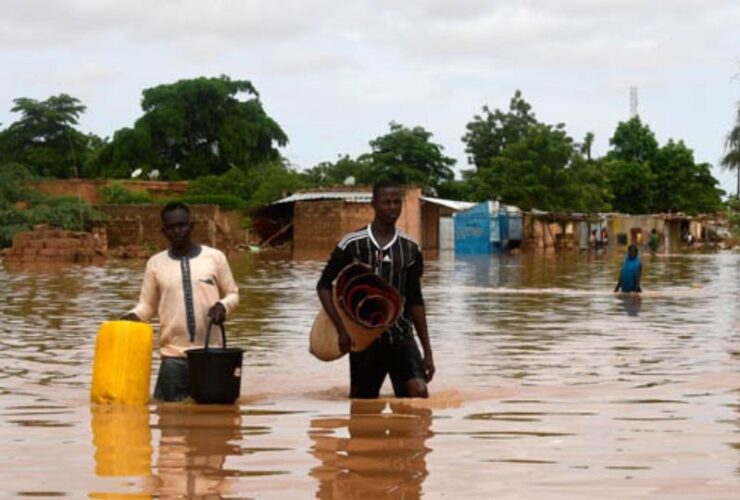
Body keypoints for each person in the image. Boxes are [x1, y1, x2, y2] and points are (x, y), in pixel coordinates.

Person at [316, 180, 434, 399]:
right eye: (386, 202)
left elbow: (415, 300)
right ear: (374, 204)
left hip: (401, 337)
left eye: (396, 202)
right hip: (363, 340)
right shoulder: (351, 244)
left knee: (418, 393)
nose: (392, 207)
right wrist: (341, 329)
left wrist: (427, 351)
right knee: (362, 408)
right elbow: (323, 286)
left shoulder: (411, 248)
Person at [123, 202, 239, 402]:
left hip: (211, 354)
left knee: (214, 422)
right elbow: (147, 305)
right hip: (173, 356)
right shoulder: (155, 264)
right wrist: (132, 316)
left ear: (192, 226)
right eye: (171, 227)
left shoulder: (214, 257)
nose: (177, 231)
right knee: (168, 420)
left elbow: (233, 294)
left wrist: (223, 306)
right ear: (164, 231)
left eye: (182, 225)